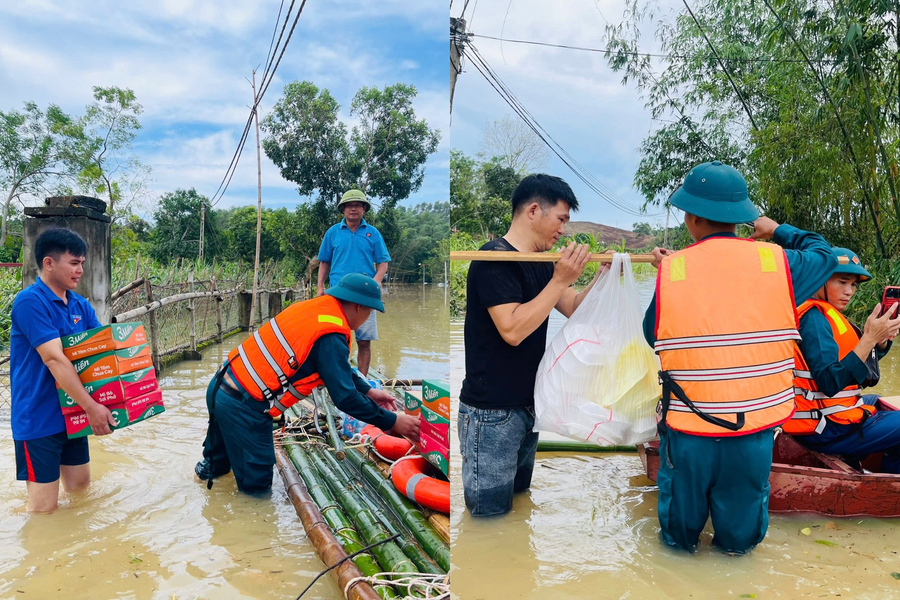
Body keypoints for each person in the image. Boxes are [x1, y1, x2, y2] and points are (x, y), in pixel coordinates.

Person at [645, 161, 838, 554]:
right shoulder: (779, 263)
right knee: (739, 544)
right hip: (752, 433)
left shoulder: (671, 270)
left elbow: (653, 335)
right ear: (740, 218)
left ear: (692, 218)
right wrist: (777, 230)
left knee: (678, 542)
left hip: (688, 433)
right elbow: (826, 255)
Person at [195, 273, 419, 494]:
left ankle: (205, 507)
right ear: (359, 307)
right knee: (257, 488)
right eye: (370, 311)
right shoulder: (331, 332)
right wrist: (392, 420)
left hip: (220, 387)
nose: (368, 317)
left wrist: (368, 390)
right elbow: (345, 398)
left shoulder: (316, 311)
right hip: (243, 407)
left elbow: (334, 368)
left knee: (215, 466)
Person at [458, 173, 602, 517]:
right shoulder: (494, 258)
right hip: (491, 414)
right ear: (534, 211)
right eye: (561, 219)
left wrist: (602, 276)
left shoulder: (542, 262)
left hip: (528, 407)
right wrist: (560, 279)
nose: (563, 230)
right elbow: (512, 329)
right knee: (489, 518)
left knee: (519, 505)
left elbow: (572, 307)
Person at [10, 228, 117, 513]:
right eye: (74, 263)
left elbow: (101, 354)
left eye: (82, 263)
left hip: (73, 416)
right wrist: (93, 408)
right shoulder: (31, 302)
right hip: (39, 419)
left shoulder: (80, 305)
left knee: (82, 495)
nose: (81, 270)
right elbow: (55, 360)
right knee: (43, 510)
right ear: (49, 263)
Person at [783, 247, 900, 470]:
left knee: (875, 400)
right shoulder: (814, 320)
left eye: (853, 284)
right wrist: (868, 338)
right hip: (824, 428)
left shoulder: (824, 313)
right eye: (842, 282)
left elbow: (854, 361)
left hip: (824, 415)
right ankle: (888, 490)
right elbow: (830, 382)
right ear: (818, 279)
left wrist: (879, 341)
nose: (850, 291)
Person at [317, 189, 391, 376]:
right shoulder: (332, 233)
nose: (353, 209)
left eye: (357, 205)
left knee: (364, 341)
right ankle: (339, 379)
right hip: (337, 294)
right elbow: (325, 261)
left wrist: (377, 280)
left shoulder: (372, 233)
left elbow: (383, 262)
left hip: (365, 295)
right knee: (336, 339)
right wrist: (320, 286)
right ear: (343, 209)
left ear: (364, 209)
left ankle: (363, 381)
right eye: (349, 205)